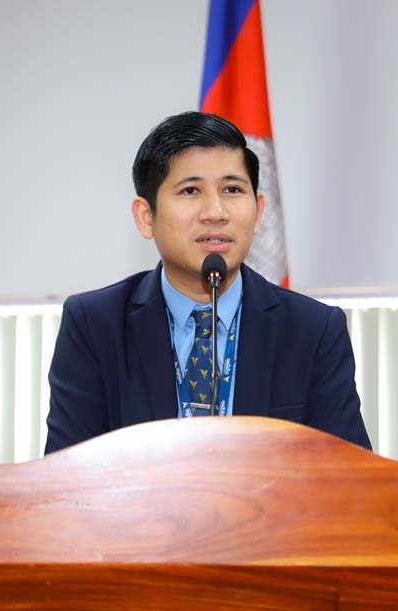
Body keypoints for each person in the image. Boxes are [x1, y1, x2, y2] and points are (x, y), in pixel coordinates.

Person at [44, 111, 371, 453]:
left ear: (258, 212)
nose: (216, 212)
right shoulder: (95, 325)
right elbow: (66, 474)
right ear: (146, 217)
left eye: (232, 189)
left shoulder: (313, 330)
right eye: (190, 190)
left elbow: (350, 475)